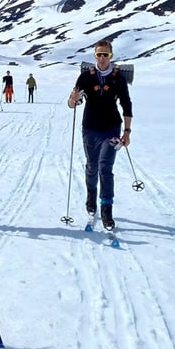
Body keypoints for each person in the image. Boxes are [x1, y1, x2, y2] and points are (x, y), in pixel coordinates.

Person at [66, 39, 132, 230]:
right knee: (92, 166)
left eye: (106, 55)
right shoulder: (86, 78)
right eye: (99, 54)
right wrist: (72, 100)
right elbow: (74, 104)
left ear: (111, 56)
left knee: (105, 167)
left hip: (111, 128)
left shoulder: (118, 78)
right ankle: (91, 195)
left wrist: (127, 131)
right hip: (90, 129)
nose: (102, 58)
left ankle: (106, 209)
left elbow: (126, 104)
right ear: (94, 56)